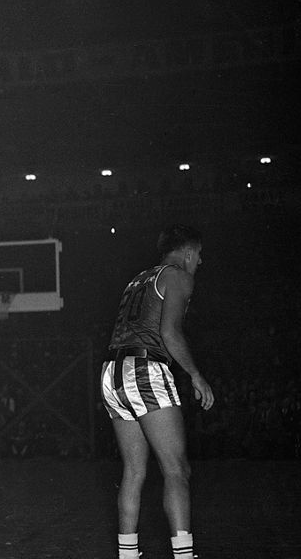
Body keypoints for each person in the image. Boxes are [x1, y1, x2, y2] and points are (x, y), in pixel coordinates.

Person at [100, 224, 214, 559]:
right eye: (200, 256)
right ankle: (183, 555)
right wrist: (195, 375)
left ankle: (127, 555)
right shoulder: (178, 275)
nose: (200, 263)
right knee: (177, 469)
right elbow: (170, 332)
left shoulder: (138, 279)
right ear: (188, 252)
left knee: (134, 471)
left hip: (111, 372)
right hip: (143, 369)